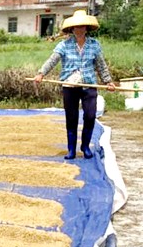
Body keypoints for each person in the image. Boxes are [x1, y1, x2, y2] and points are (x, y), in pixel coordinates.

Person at [34, 10, 115, 160]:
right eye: (76, 27)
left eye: (82, 26)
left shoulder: (94, 45)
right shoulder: (64, 45)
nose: (79, 29)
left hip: (89, 85)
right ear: (72, 29)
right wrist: (41, 73)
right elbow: (52, 60)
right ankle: (71, 149)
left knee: (90, 116)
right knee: (71, 118)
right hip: (70, 85)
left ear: (86, 28)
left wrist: (108, 81)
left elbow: (101, 65)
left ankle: (85, 147)